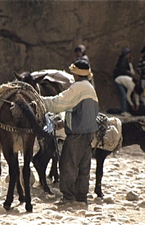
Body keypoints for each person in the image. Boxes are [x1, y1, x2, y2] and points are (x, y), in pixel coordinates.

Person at [41, 59, 99, 206]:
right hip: (89, 134)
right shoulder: (90, 88)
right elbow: (80, 111)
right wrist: (65, 124)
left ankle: (68, 197)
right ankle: (81, 197)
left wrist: (39, 101)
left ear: (76, 74)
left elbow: (59, 103)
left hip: (77, 135)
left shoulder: (77, 87)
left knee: (68, 165)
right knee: (83, 167)